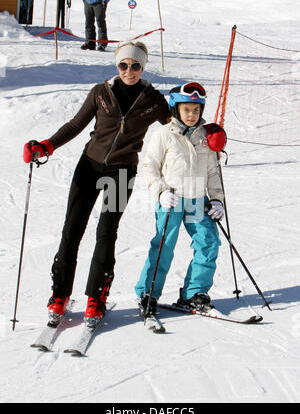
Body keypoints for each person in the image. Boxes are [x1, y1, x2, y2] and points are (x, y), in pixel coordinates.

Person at [23, 41, 170, 325]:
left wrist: (205, 132)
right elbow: (75, 125)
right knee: (72, 229)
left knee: (106, 232)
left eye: (135, 66)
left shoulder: (153, 100)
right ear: (117, 66)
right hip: (89, 167)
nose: (129, 71)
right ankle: (60, 294)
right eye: (124, 65)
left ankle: (96, 297)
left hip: (121, 172)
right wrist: (47, 146)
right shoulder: (101, 92)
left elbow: (177, 125)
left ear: (143, 67)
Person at [134, 82, 226, 316]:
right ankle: (148, 293)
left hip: (197, 198)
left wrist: (217, 200)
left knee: (208, 243)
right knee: (164, 245)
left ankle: (195, 293)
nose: (192, 115)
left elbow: (213, 172)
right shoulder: (164, 134)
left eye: (196, 110)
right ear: (175, 109)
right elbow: (149, 166)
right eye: (187, 109)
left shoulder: (206, 136)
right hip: (172, 199)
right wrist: (160, 191)